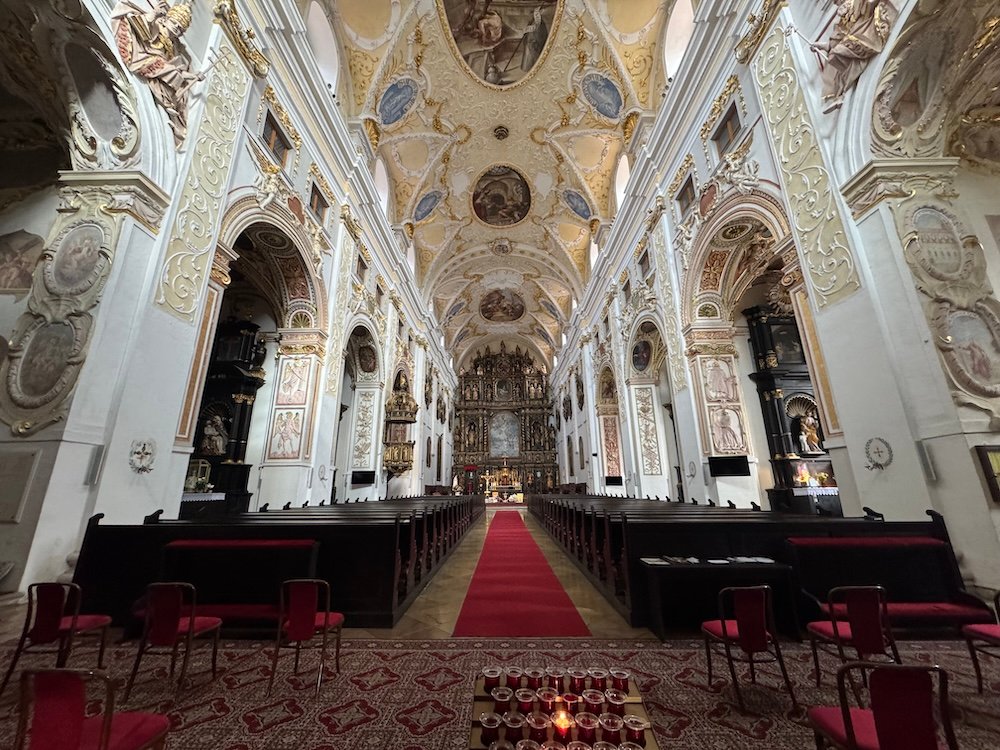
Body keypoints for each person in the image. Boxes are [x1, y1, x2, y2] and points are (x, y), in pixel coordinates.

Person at [111, 1, 203, 145]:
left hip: (159, 67)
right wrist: (153, 14)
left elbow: (177, 72)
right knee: (168, 69)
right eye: (174, 24)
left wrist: (194, 76)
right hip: (141, 57)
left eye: (180, 30)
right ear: (167, 20)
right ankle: (168, 104)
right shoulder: (158, 27)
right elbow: (142, 26)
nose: (176, 30)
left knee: (172, 73)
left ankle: (170, 105)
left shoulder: (172, 49)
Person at [810, 0, 898, 112]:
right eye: (836, 3)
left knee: (838, 53)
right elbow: (835, 41)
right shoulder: (843, 19)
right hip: (856, 41)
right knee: (836, 56)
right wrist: (820, 46)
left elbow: (870, 5)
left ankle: (840, 95)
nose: (837, 5)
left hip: (868, 36)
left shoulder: (857, 4)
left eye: (838, 2)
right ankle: (840, 96)